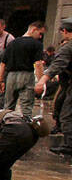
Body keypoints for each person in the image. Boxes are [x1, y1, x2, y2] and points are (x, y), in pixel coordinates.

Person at [36, 18, 72, 155]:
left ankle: (69, 145)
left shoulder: (68, 47)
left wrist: (42, 81)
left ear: (65, 31)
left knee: (67, 115)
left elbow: (57, 65)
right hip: (66, 84)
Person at [0, 21, 46, 117]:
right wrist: (41, 81)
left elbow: (3, 64)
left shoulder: (12, 43)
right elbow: (38, 64)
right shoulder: (37, 44)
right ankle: (25, 128)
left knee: (8, 107)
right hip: (26, 76)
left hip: (11, 77)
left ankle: (6, 127)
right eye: (40, 33)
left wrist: (1, 80)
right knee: (26, 108)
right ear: (34, 29)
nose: (40, 37)